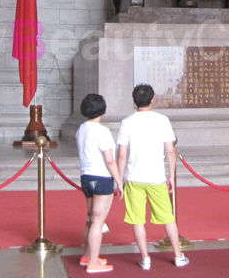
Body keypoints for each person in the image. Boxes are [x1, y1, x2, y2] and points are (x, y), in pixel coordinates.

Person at [117, 84, 189, 269]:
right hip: (156, 177)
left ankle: (145, 258)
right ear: (152, 100)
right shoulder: (162, 120)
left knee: (137, 220)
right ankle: (178, 255)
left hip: (134, 178)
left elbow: (122, 155)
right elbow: (170, 151)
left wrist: (119, 179)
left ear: (134, 101)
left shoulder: (127, 122)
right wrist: (171, 175)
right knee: (168, 218)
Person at [76, 94, 124, 274]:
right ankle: (94, 262)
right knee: (97, 220)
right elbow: (110, 161)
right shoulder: (102, 131)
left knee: (90, 219)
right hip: (102, 178)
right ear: (102, 109)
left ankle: (87, 255)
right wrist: (119, 181)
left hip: (86, 177)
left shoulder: (81, 129)